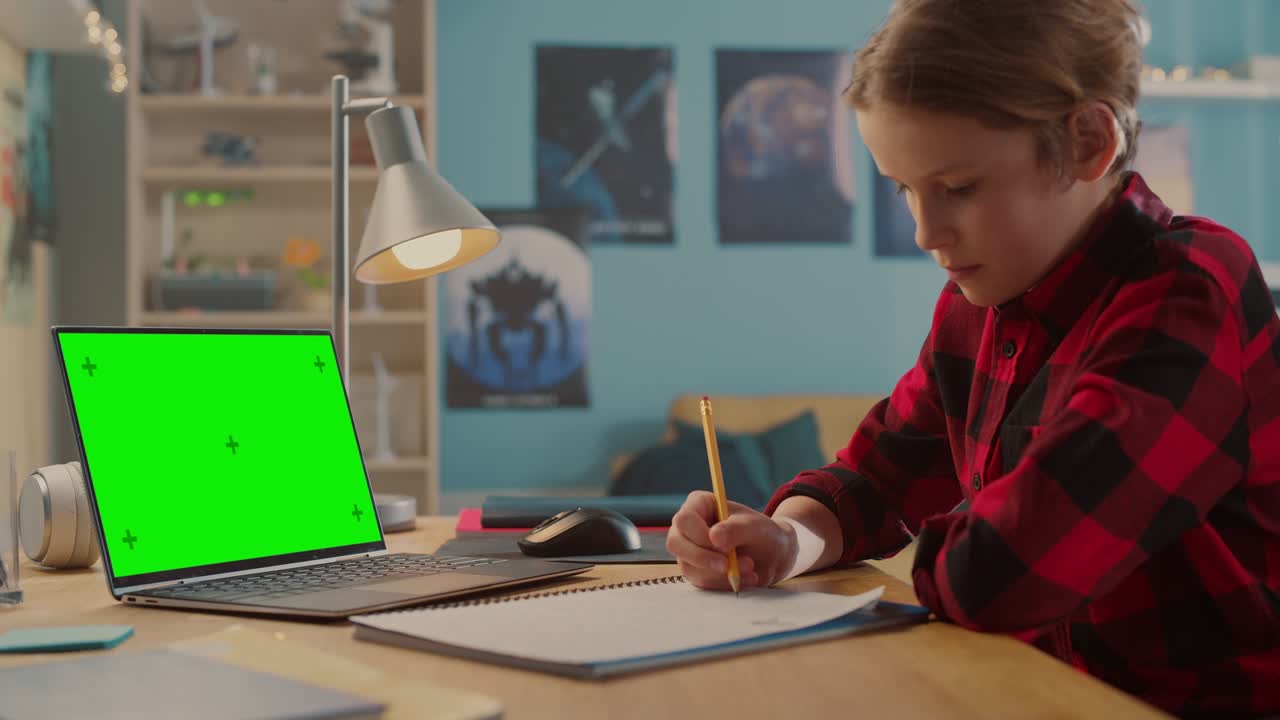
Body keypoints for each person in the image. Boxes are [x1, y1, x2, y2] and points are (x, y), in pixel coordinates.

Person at [666, 1, 1280, 716]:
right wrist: (787, 538)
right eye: (904, 189)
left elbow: (1003, 574)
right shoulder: (977, 302)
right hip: (1039, 695)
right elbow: (882, 473)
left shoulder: (1190, 290)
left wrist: (928, 551)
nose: (926, 231)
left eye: (958, 188)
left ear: (1088, 142)